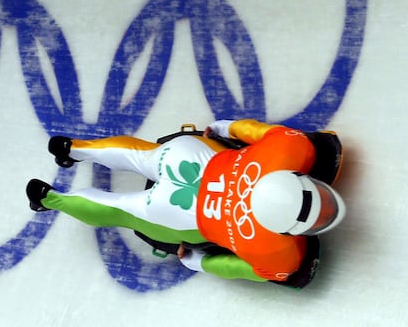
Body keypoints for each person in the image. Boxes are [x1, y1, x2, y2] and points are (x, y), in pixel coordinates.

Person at [26, 119, 345, 287]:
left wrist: (221, 127)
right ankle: (51, 199)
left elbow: (249, 129)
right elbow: (236, 268)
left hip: (190, 157)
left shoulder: (290, 148)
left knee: (140, 155)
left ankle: (74, 148)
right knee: (121, 210)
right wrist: (195, 260)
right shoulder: (276, 251)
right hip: (179, 215)